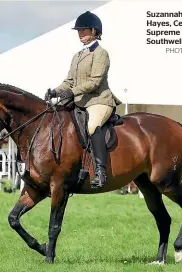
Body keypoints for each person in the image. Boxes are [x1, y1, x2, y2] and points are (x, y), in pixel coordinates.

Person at [45, 11, 122, 188]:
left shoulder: (101, 53)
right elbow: (69, 81)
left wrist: (72, 92)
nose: (80, 33)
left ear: (94, 31)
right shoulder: (77, 56)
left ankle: (101, 172)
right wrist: (55, 91)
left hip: (99, 101)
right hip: (80, 101)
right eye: (78, 31)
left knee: (92, 126)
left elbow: (95, 81)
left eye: (84, 30)